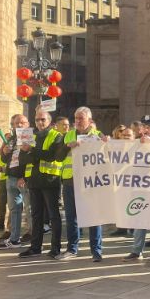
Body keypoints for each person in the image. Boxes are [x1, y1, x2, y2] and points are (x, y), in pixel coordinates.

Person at [56, 107, 105, 261]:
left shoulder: (98, 136)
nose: (77, 121)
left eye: (81, 118)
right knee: (71, 218)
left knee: (93, 218)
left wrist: (107, 144)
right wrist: (67, 146)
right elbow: (57, 157)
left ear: (90, 121)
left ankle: (96, 251)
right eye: (75, 118)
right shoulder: (68, 135)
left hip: (91, 183)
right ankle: (72, 249)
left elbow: (109, 157)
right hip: (70, 182)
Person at [18, 110, 63, 258]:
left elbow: (51, 156)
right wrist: (32, 154)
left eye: (43, 119)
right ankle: (35, 247)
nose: (40, 122)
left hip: (50, 181)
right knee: (35, 215)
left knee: (53, 216)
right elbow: (22, 158)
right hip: (34, 181)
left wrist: (31, 151)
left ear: (49, 121)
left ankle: (55, 248)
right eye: (37, 120)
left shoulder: (57, 136)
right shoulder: (31, 135)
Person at [0, 114, 32, 250]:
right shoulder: (12, 139)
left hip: (23, 179)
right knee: (14, 210)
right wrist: (4, 153)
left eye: (22, 123)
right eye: (16, 123)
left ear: (27, 124)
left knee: (29, 209)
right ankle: (14, 239)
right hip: (10, 177)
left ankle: (34, 237)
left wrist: (25, 177)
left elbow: (32, 159)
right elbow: (8, 160)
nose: (19, 125)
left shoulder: (30, 137)